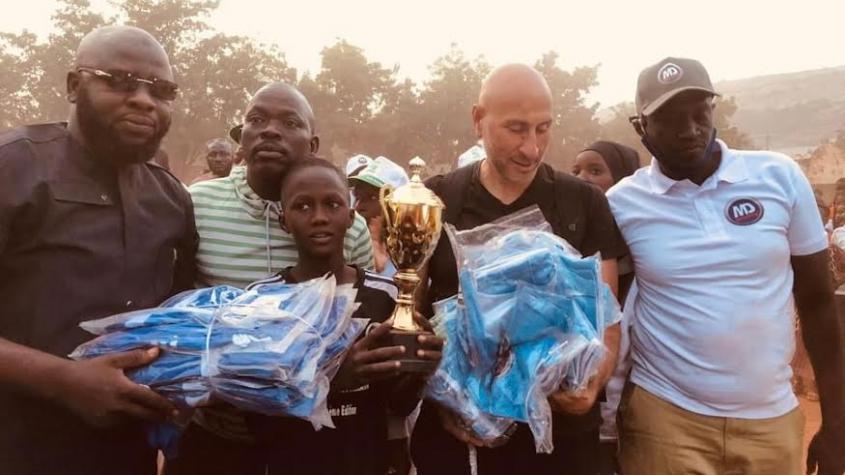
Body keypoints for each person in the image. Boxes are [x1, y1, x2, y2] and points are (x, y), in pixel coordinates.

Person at [608, 57, 845, 475]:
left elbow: (818, 303)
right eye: (669, 119)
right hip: (665, 420)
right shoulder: (622, 204)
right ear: (640, 127)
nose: (689, 129)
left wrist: (838, 423)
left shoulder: (780, 177)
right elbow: (609, 313)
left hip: (771, 421)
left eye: (699, 113)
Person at [410, 64, 626, 475]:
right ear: (478, 120)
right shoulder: (437, 199)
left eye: (543, 129)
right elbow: (412, 316)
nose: (532, 148)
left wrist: (591, 385)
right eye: (516, 129)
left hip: (561, 441)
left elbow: (607, 321)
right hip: (461, 438)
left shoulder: (584, 203)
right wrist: (444, 398)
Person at [0, 26, 197, 475]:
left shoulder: (171, 199)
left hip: (127, 453)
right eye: (120, 82)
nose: (144, 101)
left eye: (161, 91)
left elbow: (179, 319)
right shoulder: (13, 168)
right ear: (74, 86)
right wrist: (65, 380)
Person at [170, 158, 442, 475]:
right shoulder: (263, 301)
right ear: (284, 220)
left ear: (350, 217)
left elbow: (397, 405)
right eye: (302, 206)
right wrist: (332, 379)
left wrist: (419, 372)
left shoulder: (386, 296)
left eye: (332, 204)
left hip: (365, 462)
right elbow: (255, 416)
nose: (319, 217)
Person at [188, 82, 374, 289]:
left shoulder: (350, 226)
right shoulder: (197, 203)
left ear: (312, 146)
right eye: (256, 120)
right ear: (241, 138)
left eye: (290, 123)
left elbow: (364, 302)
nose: (270, 131)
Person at [571, 140, 640, 475]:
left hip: (635, 433)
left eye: (595, 170)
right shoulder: (569, 260)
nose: (582, 179)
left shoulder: (650, 272)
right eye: (576, 171)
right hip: (577, 428)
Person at [350, 155, 411, 277]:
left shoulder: (413, 254)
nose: (358, 207)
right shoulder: (348, 245)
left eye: (372, 197)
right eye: (357, 197)